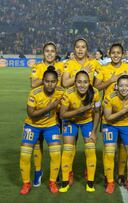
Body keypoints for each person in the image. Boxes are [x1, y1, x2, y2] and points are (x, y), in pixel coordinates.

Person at [19, 66, 64, 195]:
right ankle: (26, 184)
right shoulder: (34, 93)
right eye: (47, 81)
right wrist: (50, 107)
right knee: (25, 154)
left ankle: (52, 182)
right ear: (43, 80)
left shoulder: (61, 92)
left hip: (51, 126)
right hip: (32, 125)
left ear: (57, 81)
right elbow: (31, 114)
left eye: (53, 81)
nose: (50, 84)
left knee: (56, 153)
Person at [94, 42, 128, 185]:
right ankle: (108, 175)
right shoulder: (104, 68)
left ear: (122, 54)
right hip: (109, 111)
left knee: (123, 145)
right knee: (109, 147)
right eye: (113, 53)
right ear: (109, 54)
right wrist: (110, 80)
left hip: (126, 111)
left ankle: (121, 173)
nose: (116, 55)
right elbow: (97, 87)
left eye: (118, 53)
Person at [59, 71, 101, 192]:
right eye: (79, 82)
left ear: (89, 83)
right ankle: (65, 181)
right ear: (74, 83)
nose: (82, 85)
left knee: (90, 149)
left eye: (85, 82)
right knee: (67, 149)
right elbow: (62, 115)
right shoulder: (68, 93)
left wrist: (94, 132)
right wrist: (80, 110)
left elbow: (97, 113)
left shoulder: (95, 93)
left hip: (87, 122)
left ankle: (90, 182)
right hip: (70, 120)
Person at [29, 42, 64, 187]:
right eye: (47, 51)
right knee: (38, 143)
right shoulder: (37, 67)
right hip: (40, 108)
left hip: (57, 112)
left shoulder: (62, 66)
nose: (50, 53)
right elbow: (33, 84)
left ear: (56, 53)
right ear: (43, 53)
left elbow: (66, 84)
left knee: (55, 145)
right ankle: (38, 171)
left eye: (52, 51)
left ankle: (54, 174)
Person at [102, 75, 128, 194]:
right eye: (121, 85)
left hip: (127, 125)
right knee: (109, 152)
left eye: (127, 85)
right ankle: (110, 182)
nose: (124, 88)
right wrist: (124, 110)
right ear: (116, 86)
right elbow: (108, 118)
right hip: (110, 125)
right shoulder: (109, 97)